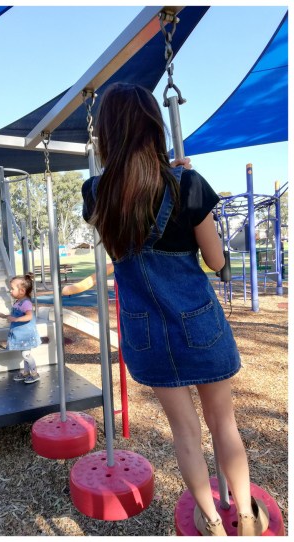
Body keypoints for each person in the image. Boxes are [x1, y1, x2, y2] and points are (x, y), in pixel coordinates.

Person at [82, 82, 268, 536]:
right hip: (198, 321)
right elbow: (216, 260)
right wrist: (183, 183)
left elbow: (122, 237)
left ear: (107, 133)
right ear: (154, 127)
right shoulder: (187, 185)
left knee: (185, 432)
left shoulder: (95, 193)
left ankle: (210, 521)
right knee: (223, 423)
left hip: (145, 330)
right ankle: (244, 516)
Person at [0, 275, 40, 384]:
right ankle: (26, 372)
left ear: (21, 291)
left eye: (12, 289)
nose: (10, 291)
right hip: (20, 334)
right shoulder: (18, 302)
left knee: (26, 354)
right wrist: (5, 316)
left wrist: (16, 319)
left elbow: (29, 316)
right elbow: (13, 315)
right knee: (24, 354)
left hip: (26, 334)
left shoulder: (26, 303)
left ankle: (34, 374)